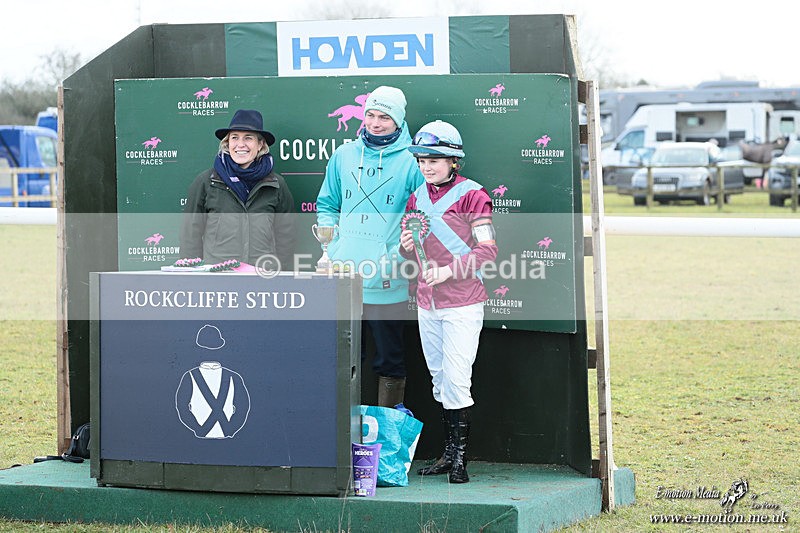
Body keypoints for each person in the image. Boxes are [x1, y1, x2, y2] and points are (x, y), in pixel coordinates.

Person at [399, 120, 497, 484]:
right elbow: (411, 243)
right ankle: (446, 455)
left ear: (454, 161)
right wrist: (405, 246)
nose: (427, 166)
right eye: (422, 160)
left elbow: (487, 251)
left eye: (435, 160)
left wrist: (449, 271)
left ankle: (460, 461)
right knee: (440, 381)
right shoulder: (416, 196)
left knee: (456, 380)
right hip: (428, 302)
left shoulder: (474, 195)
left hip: (462, 301)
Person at [316, 86, 424, 408]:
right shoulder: (344, 155)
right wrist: (334, 248)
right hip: (344, 276)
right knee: (346, 358)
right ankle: (344, 439)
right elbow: (326, 204)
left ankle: (386, 438)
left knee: (389, 359)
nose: (376, 123)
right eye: (371, 115)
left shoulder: (412, 162)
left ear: (399, 121)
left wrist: (394, 256)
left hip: (388, 279)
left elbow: (420, 217)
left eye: (385, 117)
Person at [180, 109, 296, 268]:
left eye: (248, 138)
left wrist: (278, 274)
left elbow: (286, 238)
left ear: (260, 144)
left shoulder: (276, 184)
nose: (241, 144)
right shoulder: (206, 182)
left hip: (262, 278)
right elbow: (190, 236)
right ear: (227, 143)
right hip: (218, 280)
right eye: (235, 138)